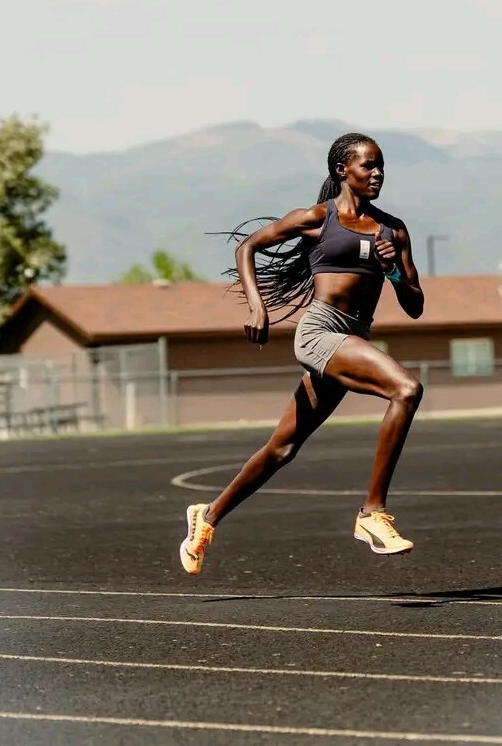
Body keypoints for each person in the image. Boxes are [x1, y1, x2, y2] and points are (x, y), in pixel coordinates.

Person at [180, 132, 425, 575]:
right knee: (406, 389)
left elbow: (415, 306)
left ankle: (207, 517)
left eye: (381, 166)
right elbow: (247, 246)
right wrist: (258, 306)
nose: (377, 173)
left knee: (282, 448)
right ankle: (373, 512)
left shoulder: (393, 230)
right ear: (342, 171)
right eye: (368, 165)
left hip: (353, 338)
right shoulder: (316, 218)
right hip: (321, 333)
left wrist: (391, 269)